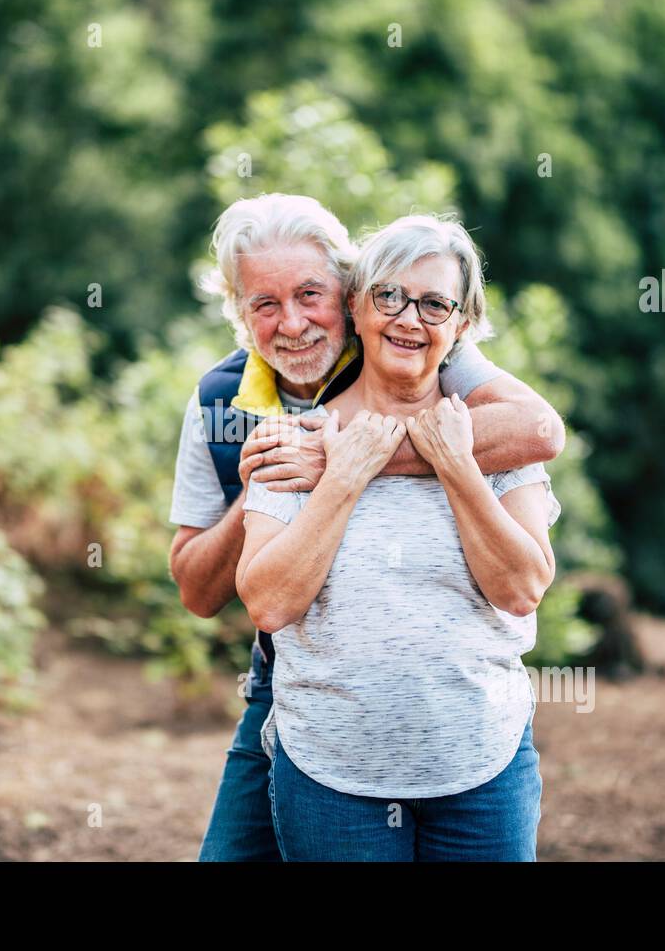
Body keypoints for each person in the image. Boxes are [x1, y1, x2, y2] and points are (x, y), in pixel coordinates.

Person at [169, 194, 564, 861]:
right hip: (289, 682)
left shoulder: (406, 335)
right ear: (239, 312)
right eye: (264, 303)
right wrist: (264, 479)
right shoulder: (222, 400)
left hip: (459, 729)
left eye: (309, 295)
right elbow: (201, 592)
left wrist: (342, 451)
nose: (291, 323)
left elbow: (539, 428)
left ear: (347, 294)